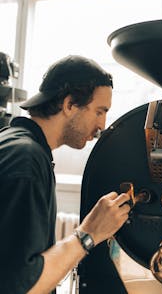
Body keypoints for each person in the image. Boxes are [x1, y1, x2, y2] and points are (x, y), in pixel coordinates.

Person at [0, 55, 130, 294]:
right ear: (70, 104)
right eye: (100, 111)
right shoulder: (26, 160)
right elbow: (21, 286)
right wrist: (89, 233)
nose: (102, 125)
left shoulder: (18, 145)